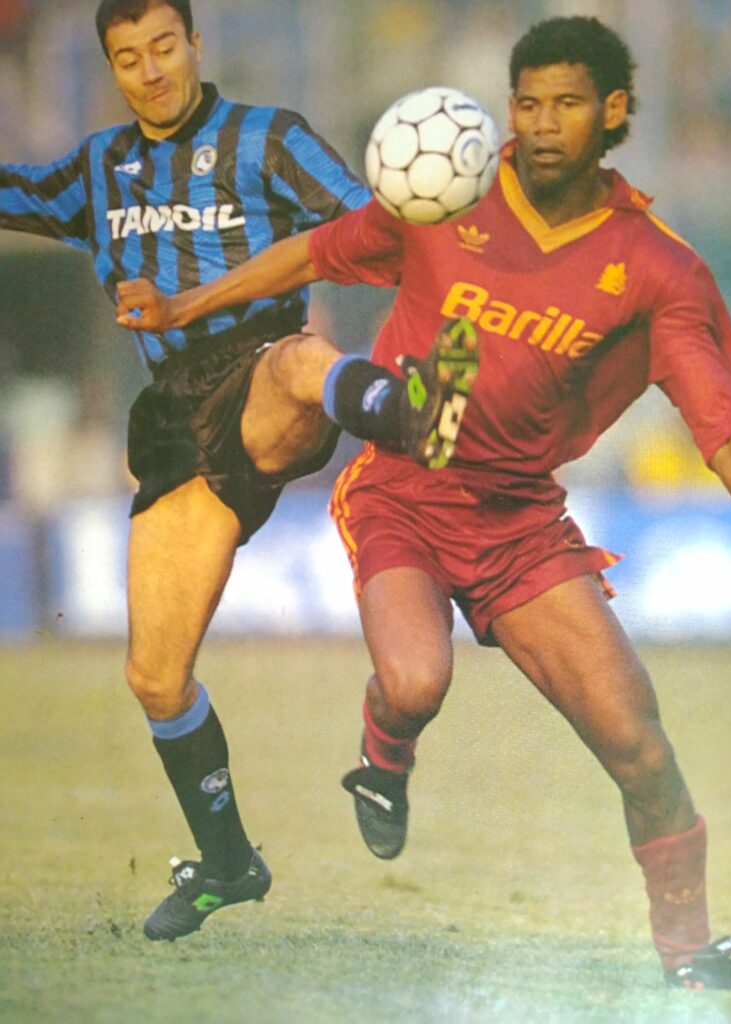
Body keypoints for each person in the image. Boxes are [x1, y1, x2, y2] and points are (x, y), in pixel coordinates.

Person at [113, 15, 731, 988]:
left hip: (520, 522)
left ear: (615, 111)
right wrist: (183, 306)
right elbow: (314, 252)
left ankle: (688, 952)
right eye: (527, 104)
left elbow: (724, 429)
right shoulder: (446, 194)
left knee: (640, 743)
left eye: (567, 104)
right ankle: (385, 755)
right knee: (417, 681)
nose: (541, 124)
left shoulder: (654, 265)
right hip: (405, 492)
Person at [0, 0, 480, 943]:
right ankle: (227, 863)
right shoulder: (95, 170)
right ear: (112, 68)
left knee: (295, 361)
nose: (150, 71)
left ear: (195, 44)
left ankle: (415, 417)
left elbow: (376, 228)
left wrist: (457, 286)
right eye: (128, 58)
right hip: (175, 425)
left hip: (264, 379)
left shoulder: (270, 140)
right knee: (155, 678)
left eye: (163, 47)